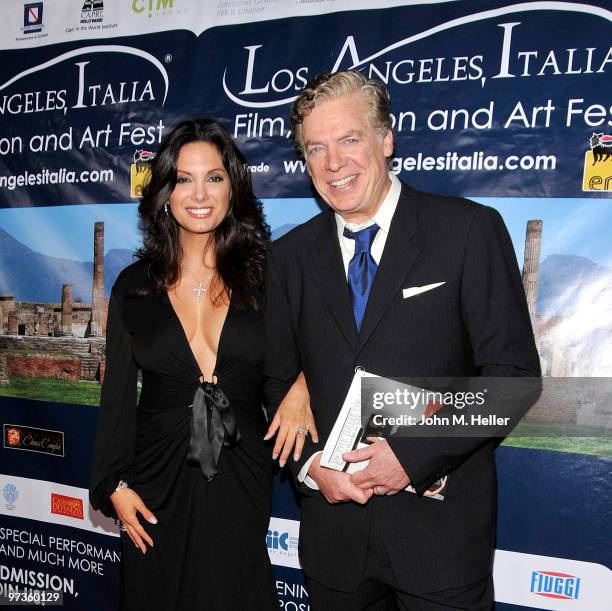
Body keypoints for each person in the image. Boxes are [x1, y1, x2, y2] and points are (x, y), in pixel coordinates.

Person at [264, 70, 541, 610]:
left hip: (439, 539)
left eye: (349, 140)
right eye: (315, 149)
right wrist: (312, 468)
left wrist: (411, 455)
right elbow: (273, 381)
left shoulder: (466, 231)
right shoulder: (289, 258)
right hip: (335, 541)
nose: (333, 163)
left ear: (385, 139)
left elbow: (512, 380)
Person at [89, 118, 315, 611]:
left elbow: (321, 347)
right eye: (184, 179)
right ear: (164, 191)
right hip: (153, 482)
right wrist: (113, 485)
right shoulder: (134, 285)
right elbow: (118, 398)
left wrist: (303, 385)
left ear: (233, 187)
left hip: (241, 473)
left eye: (214, 177)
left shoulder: (267, 276)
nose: (200, 193)